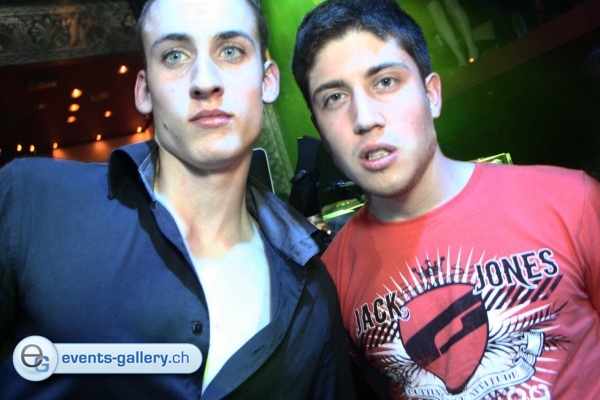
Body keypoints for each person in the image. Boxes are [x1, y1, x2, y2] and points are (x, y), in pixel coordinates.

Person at [0, 0, 353, 398]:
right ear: (145, 91)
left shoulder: (313, 293)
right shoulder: (30, 202)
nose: (205, 80)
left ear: (268, 81)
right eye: (174, 56)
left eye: (231, 51)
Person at [291, 0, 600, 398]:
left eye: (385, 82)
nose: (364, 118)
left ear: (432, 95)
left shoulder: (572, 201)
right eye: (334, 98)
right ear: (320, 129)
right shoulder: (331, 283)